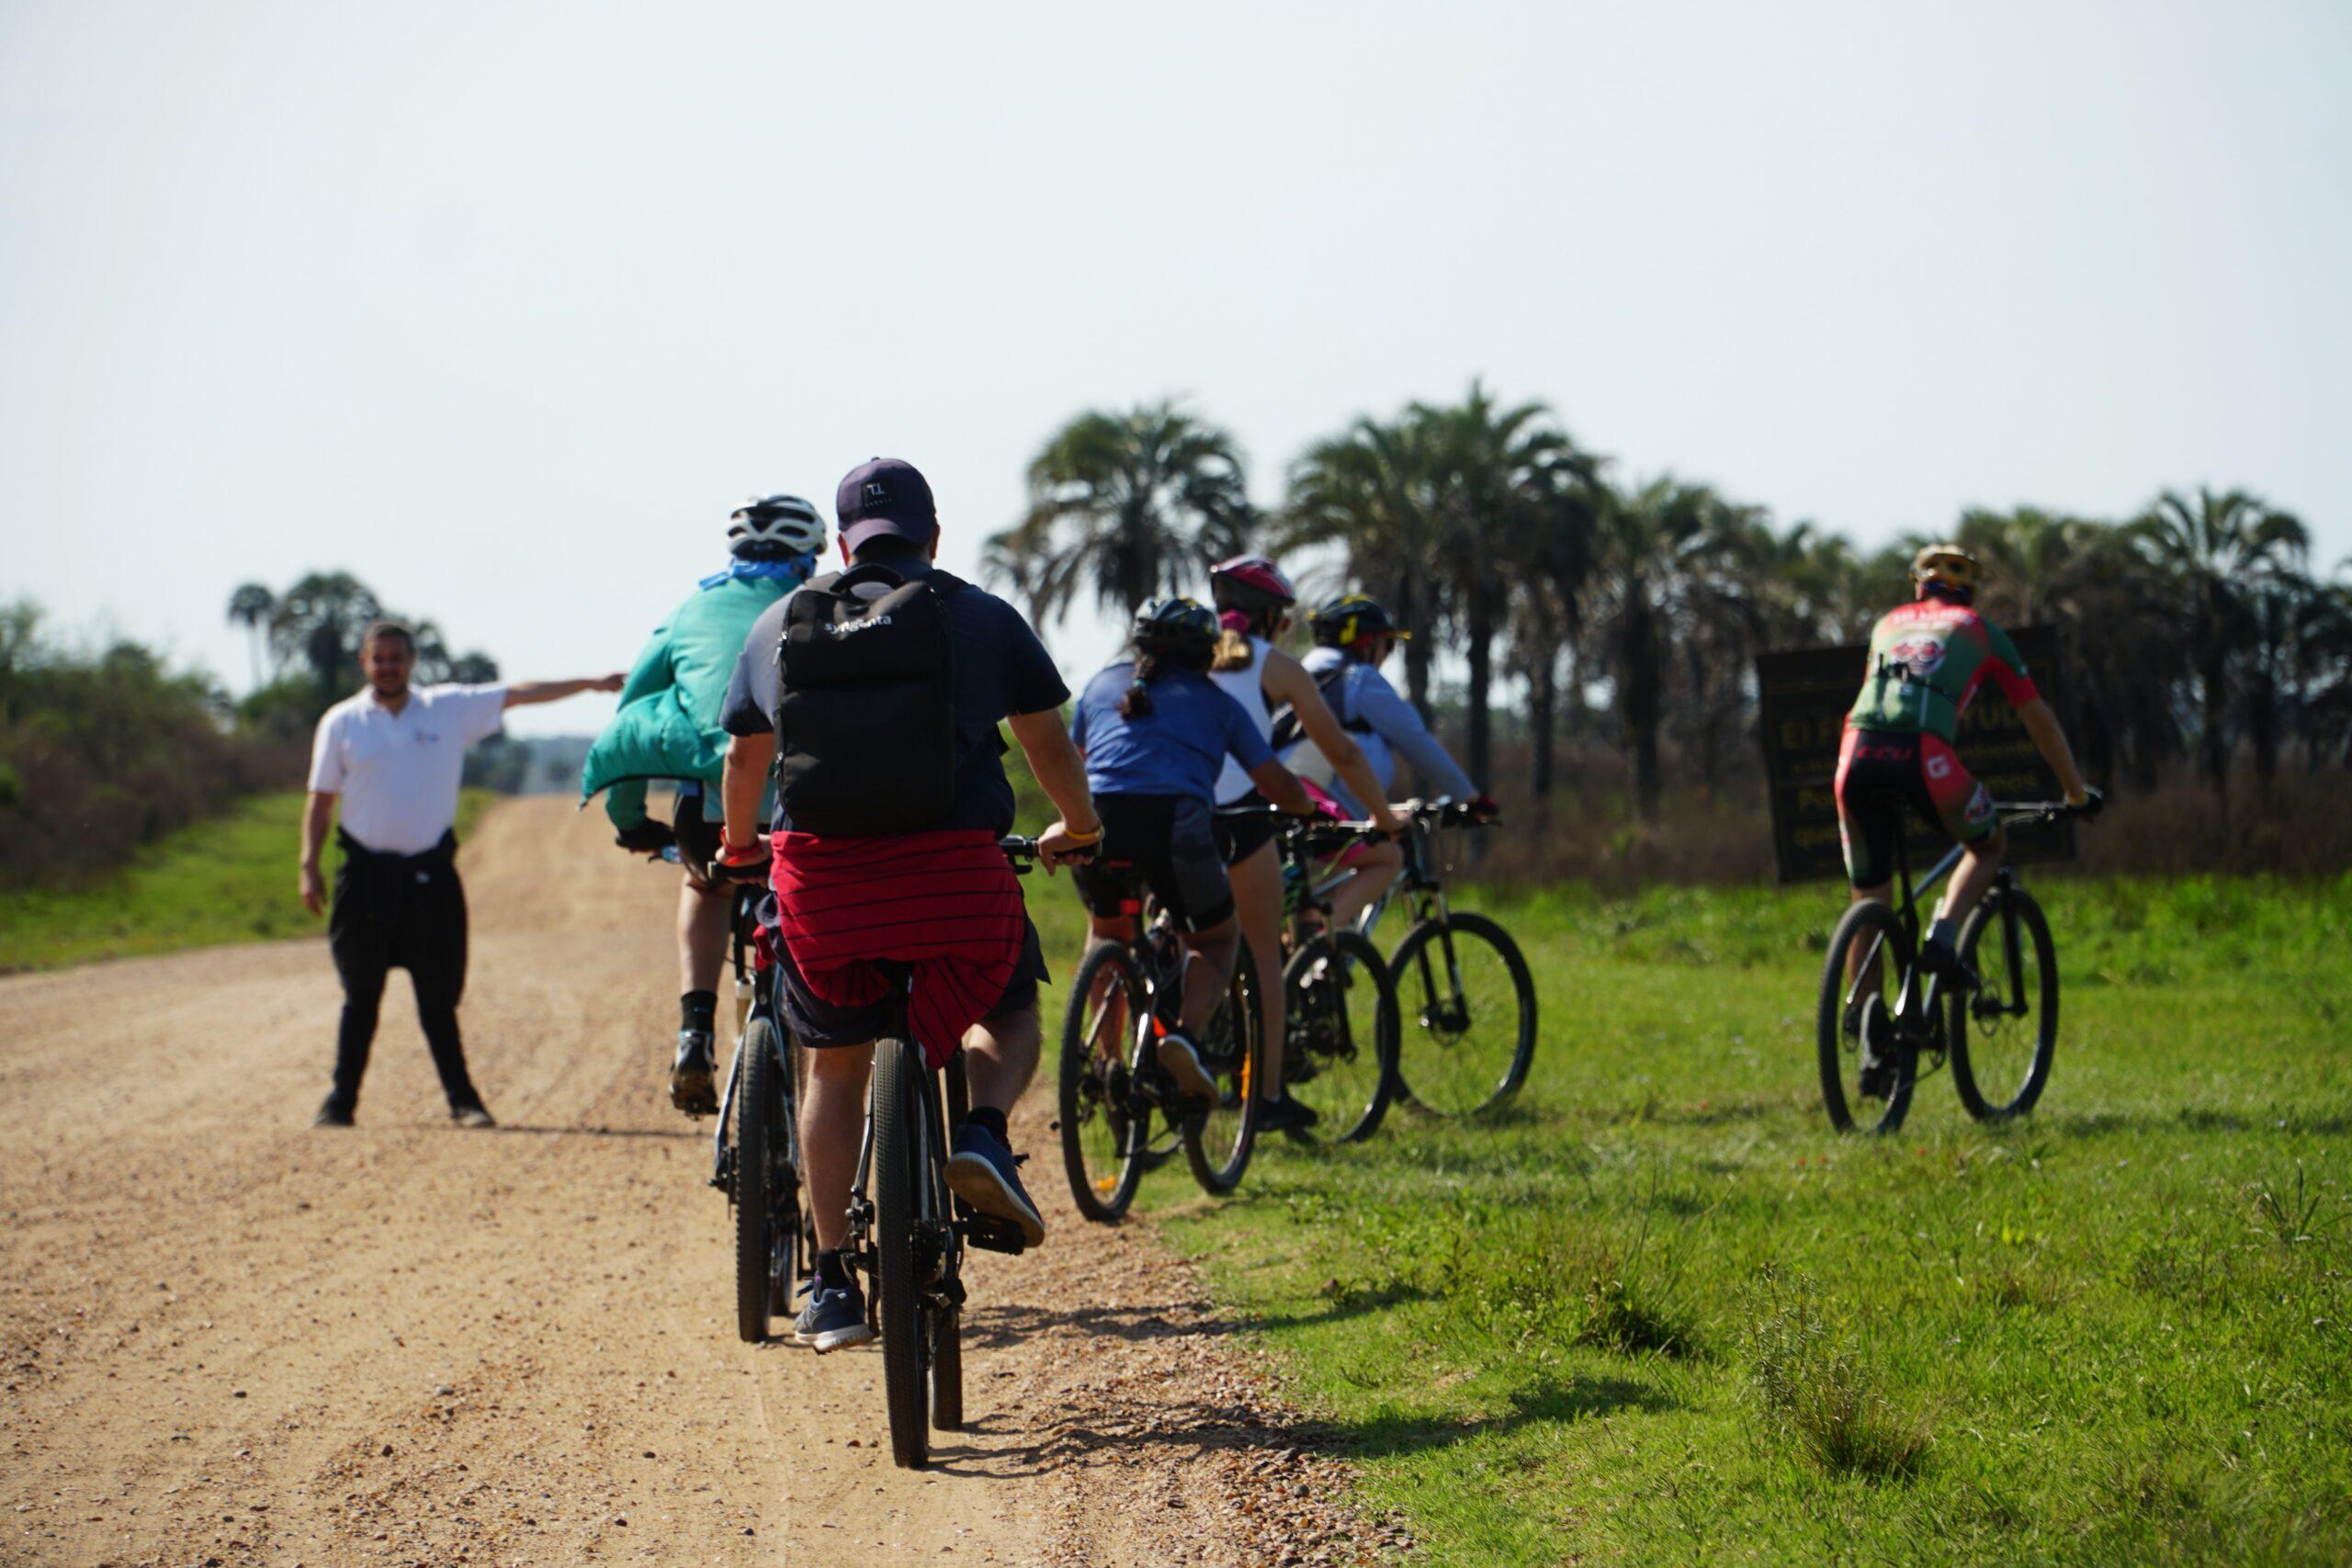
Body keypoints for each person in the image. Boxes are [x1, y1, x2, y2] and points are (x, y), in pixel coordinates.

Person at [712, 457, 1101, 1352]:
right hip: (953, 880)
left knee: (835, 1068)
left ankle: (832, 1280)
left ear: (844, 543)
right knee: (1009, 1013)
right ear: (933, 537)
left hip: (826, 889)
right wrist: (1076, 827)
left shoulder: (782, 622)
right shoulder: (983, 618)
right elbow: (1049, 745)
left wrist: (739, 849)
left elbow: (744, 761)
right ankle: (982, 1132)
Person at [302, 621, 623, 1128]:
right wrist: (309, 865)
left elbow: (518, 695)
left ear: (412, 662)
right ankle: (340, 1101)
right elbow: (321, 800)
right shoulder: (342, 723)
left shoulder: (447, 710)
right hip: (363, 878)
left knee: (438, 998)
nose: (388, 666)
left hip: (430, 877)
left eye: (397, 657)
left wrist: (588, 683)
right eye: (378, 658)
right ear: (364, 663)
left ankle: (464, 1101)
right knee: (360, 995)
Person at [580, 493, 826, 1115]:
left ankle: (695, 1027)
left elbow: (631, 717)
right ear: (811, 552)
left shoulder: (690, 610)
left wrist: (632, 821)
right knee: (817, 907)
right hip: (813, 805)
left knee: (706, 883)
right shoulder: (828, 603)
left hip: (712, 812)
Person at [1835, 543, 2098, 1096]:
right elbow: (2038, 718)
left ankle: (1862, 1014)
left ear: (1918, 587)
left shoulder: (1887, 624)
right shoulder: (1980, 630)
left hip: (1854, 760)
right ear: (1970, 591)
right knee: (1988, 844)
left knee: (1872, 900)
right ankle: (1944, 935)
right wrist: (2075, 792)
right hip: (1924, 760)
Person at [1069, 596, 1317, 1120]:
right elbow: (1271, 780)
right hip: (1175, 825)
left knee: (1107, 930)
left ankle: (1104, 1063)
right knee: (1218, 939)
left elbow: (1078, 761)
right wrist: (1307, 806)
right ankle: (1183, 1038)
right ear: (1208, 653)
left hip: (1098, 822)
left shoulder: (1101, 684)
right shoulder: (1217, 701)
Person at [1204, 557, 1401, 1133]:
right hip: (1240, 816)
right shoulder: (1277, 667)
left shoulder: (1184, 657)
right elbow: (1340, 752)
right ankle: (1264, 1096)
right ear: (1276, 619)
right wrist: (1383, 815)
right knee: (1266, 955)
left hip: (1172, 810)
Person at [1278, 593, 1496, 931]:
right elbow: (1415, 741)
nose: (1385, 657)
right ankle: (1319, 934)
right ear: (1366, 643)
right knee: (1388, 858)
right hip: (1312, 800)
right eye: (1387, 647)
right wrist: (1469, 797)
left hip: (1273, 796)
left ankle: (1309, 949)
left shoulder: (1299, 674)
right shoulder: (1357, 680)